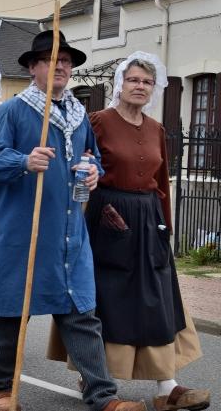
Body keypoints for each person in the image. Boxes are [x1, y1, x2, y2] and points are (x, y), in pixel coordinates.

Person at [0, 30, 146, 411]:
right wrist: (23, 161)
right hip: (25, 231)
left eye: (67, 62)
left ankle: (103, 395)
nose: (62, 68)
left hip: (70, 231)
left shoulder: (77, 113)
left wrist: (92, 170)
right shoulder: (12, 111)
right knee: (11, 313)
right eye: (54, 61)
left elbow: (93, 158)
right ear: (34, 68)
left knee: (81, 313)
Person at [83, 52, 209, 411]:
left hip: (148, 219)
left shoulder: (156, 129)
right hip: (108, 217)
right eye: (134, 80)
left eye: (147, 82)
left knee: (157, 300)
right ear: (121, 84)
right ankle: (96, 375)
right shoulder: (98, 121)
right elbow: (82, 169)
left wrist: (164, 227)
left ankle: (165, 386)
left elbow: (161, 183)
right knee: (109, 299)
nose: (140, 87)